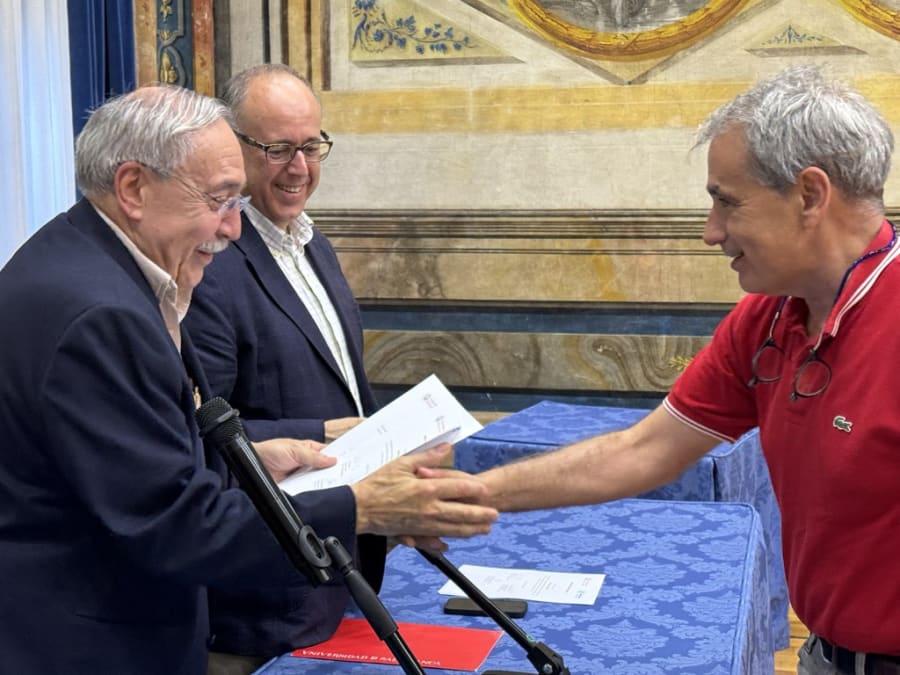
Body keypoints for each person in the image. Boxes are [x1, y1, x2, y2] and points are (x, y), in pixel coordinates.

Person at [0, 84, 497, 675]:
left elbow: (121, 470)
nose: (234, 228)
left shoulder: (84, 262)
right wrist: (361, 506)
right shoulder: (102, 314)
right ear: (134, 188)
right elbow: (172, 529)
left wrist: (255, 458)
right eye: (219, 199)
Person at [425, 64, 900, 674]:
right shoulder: (768, 318)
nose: (711, 233)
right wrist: (466, 495)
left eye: (727, 203)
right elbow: (643, 450)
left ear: (809, 195)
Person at [182, 63, 458, 672]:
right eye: (278, 148)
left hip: (339, 575)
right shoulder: (211, 267)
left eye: (312, 146)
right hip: (264, 607)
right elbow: (200, 434)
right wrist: (325, 432)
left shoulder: (313, 244)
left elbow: (341, 386)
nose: (300, 167)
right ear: (234, 144)